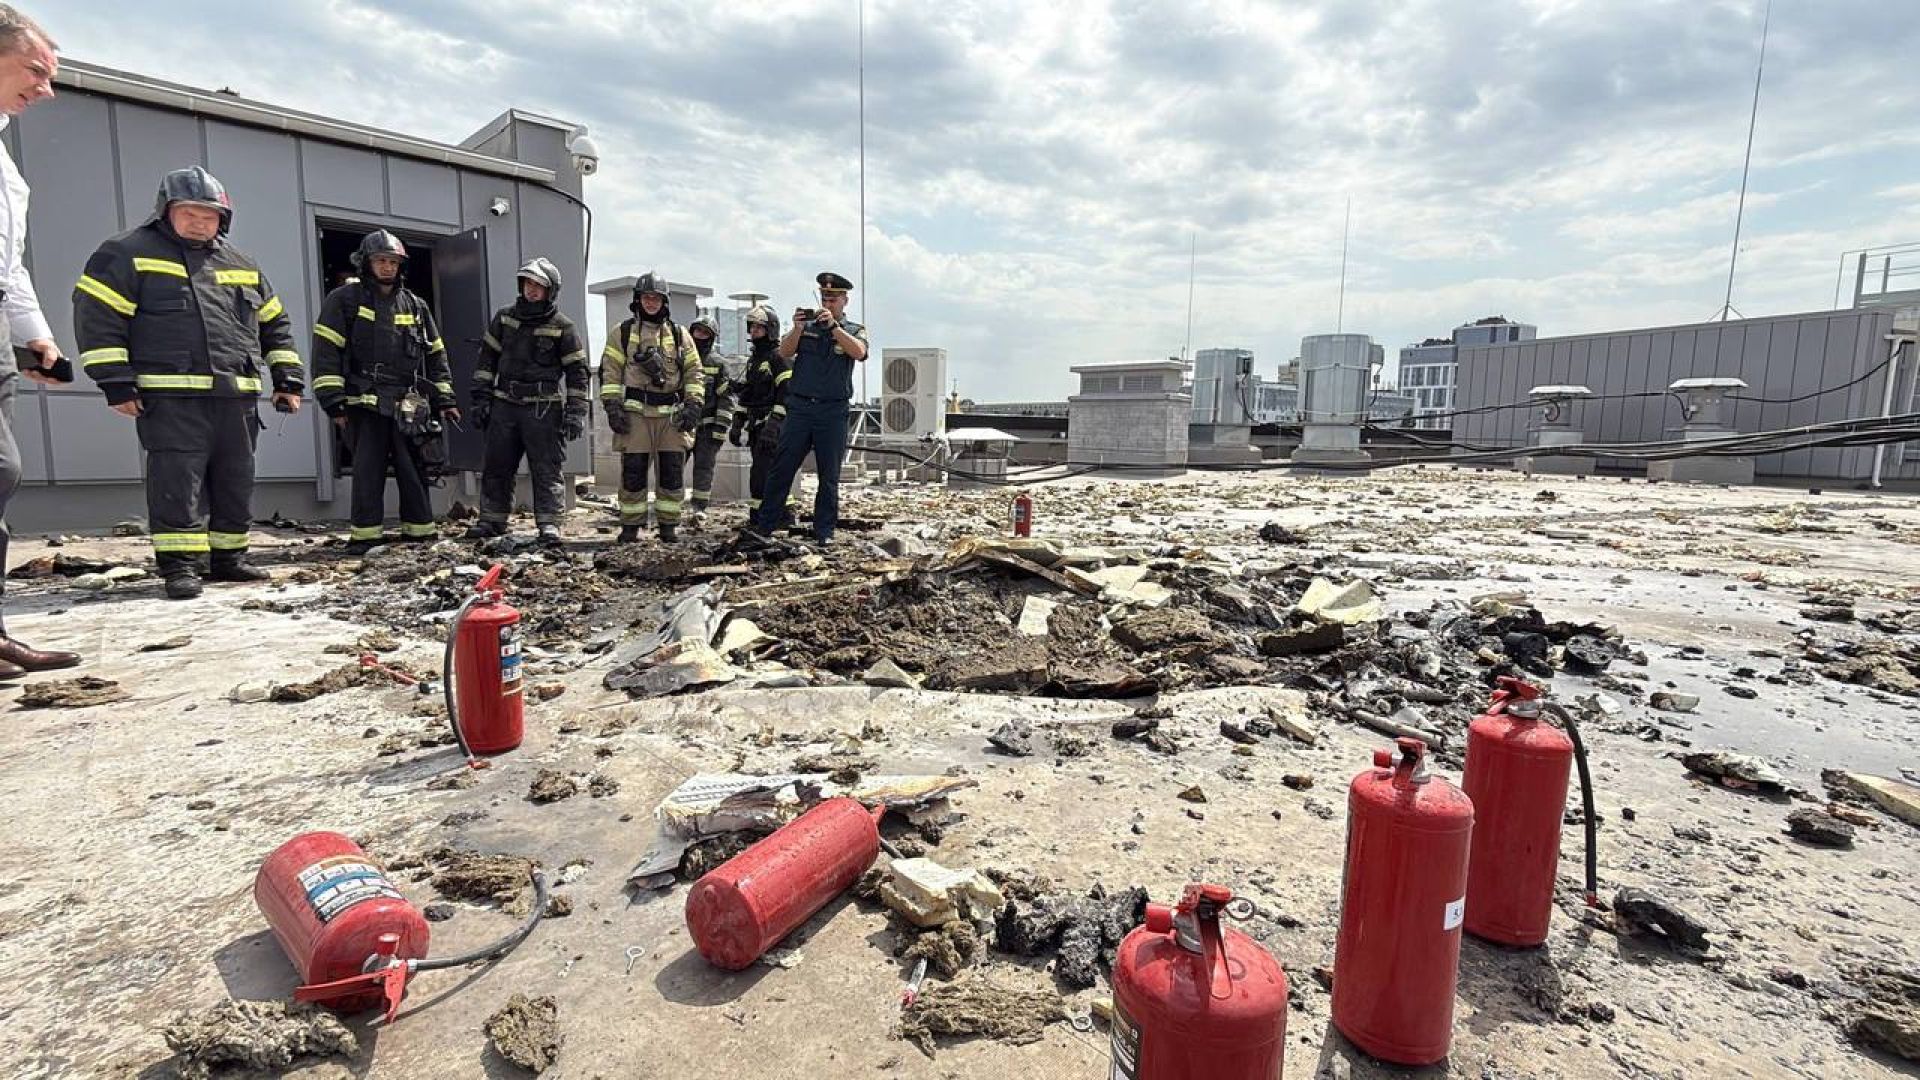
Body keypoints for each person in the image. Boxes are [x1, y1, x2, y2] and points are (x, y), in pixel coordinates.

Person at [75, 166, 303, 600]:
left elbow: (275, 324)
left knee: (236, 477)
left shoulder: (242, 263)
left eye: (209, 215)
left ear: (223, 219)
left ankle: (229, 559)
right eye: (190, 213)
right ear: (166, 211)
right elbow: (96, 317)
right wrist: (116, 382)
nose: (200, 223)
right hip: (170, 395)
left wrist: (288, 379)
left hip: (235, 396)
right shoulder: (126, 253)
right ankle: (180, 567)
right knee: (177, 482)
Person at [0, 5, 74, 669]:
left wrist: (34, 335)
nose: (46, 89)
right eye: (35, 72)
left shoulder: (5, 167)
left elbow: (8, 260)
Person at [310, 230, 459, 553]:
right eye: (381, 260)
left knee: (413, 467)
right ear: (366, 263)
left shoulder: (415, 305)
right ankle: (366, 537)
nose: (388, 267)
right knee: (367, 469)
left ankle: (419, 531)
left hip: (407, 402)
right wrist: (333, 402)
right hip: (363, 401)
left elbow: (435, 353)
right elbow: (326, 352)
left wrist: (444, 398)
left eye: (393, 261)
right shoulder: (343, 300)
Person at [465, 258, 587, 545]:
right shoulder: (504, 319)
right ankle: (492, 520)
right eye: (528, 283)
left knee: (546, 468)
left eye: (539, 285)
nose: (532, 290)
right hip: (504, 405)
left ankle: (549, 525)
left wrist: (575, 412)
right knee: (497, 465)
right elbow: (486, 362)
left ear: (551, 290)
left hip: (543, 409)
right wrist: (480, 399)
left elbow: (577, 373)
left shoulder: (563, 326)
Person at [747, 272, 866, 547]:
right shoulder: (807, 327)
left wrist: (835, 328)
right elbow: (784, 353)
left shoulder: (853, 329)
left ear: (844, 301)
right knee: (781, 468)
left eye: (833, 298)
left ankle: (824, 531)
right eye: (824, 297)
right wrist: (798, 328)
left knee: (829, 475)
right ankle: (765, 526)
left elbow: (859, 352)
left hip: (833, 411)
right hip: (800, 408)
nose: (828, 302)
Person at [598, 272, 704, 543]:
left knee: (672, 472)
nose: (651, 303)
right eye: (646, 297)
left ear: (664, 301)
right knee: (632, 472)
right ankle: (631, 527)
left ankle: (668, 527)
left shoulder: (680, 335)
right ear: (638, 300)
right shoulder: (622, 333)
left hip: (671, 416)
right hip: (635, 414)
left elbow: (695, 372)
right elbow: (609, 373)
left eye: (656, 298)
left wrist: (693, 405)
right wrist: (612, 407)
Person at [728, 304, 791, 517]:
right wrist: (738, 421)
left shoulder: (779, 357)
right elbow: (748, 394)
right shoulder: (754, 360)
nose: (753, 331)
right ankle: (758, 516)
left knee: (769, 472)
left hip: (773, 427)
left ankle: (782, 514)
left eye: (759, 327)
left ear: (771, 329)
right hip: (757, 427)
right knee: (758, 473)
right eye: (751, 327)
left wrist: (774, 424)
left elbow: (786, 392)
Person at [683, 315, 734, 524]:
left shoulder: (719, 364)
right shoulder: (681, 360)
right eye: (698, 331)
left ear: (712, 337)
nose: (700, 336)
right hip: (683, 426)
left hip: (707, 428)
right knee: (673, 467)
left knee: (704, 468)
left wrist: (720, 428)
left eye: (705, 333)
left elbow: (726, 398)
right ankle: (670, 507)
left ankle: (699, 508)